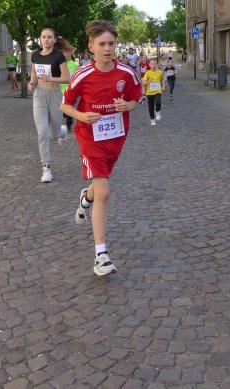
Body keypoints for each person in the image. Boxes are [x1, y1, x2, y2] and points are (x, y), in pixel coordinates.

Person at [63, 21, 142, 276]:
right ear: (91, 47)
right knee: (105, 191)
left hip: (115, 137)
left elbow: (136, 97)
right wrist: (81, 115)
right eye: (102, 44)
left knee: (98, 188)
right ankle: (101, 256)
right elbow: (65, 105)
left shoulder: (126, 73)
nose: (107, 49)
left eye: (111, 44)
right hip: (89, 137)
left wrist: (128, 106)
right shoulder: (82, 74)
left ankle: (86, 198)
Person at [28, 28, 71, 183]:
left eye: (49, 37)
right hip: (39, 95)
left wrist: (51, 78)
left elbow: (67, 78)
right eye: (43, 37)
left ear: (54, 40)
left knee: (54, 134)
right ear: (40, 39)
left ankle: (61, 131)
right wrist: (32, 83)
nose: (46, 39)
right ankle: (46, 169)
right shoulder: (35, 55)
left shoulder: (58, 56)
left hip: (55, 95)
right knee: (42, 132)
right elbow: (34, 74)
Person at [60, 46, 79, 131]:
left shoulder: (74, 65)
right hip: (58, 91)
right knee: (58, 109)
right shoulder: (58, 63)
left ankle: (69, 125)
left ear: (70, 54)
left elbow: (77, 78)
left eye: (67, 52)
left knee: (68, 110)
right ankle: (57, 126)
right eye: (63, 52)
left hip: (69, 91)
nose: (65, 54)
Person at [142, 59, 165, 125]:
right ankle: (152, 119)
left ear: (157, 65)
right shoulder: (147, 73)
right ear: (149, 65)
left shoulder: (160, 72)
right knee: (151, 107)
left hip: (158, 91)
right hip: (149, 92)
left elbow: (163, 79)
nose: (153, 65)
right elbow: (143, 83)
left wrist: (163, 86)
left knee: (158, 102)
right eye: (152, 64)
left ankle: (158, 111)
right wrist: (149, 81)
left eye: (155, 64)